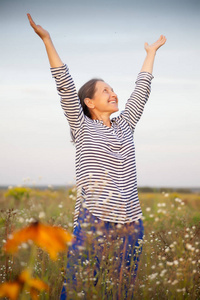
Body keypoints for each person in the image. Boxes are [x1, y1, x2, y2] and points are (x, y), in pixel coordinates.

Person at [27, 13, 166, 299]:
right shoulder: (82, 126)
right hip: (95, 220)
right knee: (77, 289)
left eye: (113, 89)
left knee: (122, 291)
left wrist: (150, 53)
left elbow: (142, 90)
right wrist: (47, 40)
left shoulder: (125, 125)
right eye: (105, 91)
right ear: (89, 102)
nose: (113, 93)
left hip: (131, 223)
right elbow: (64, 85)